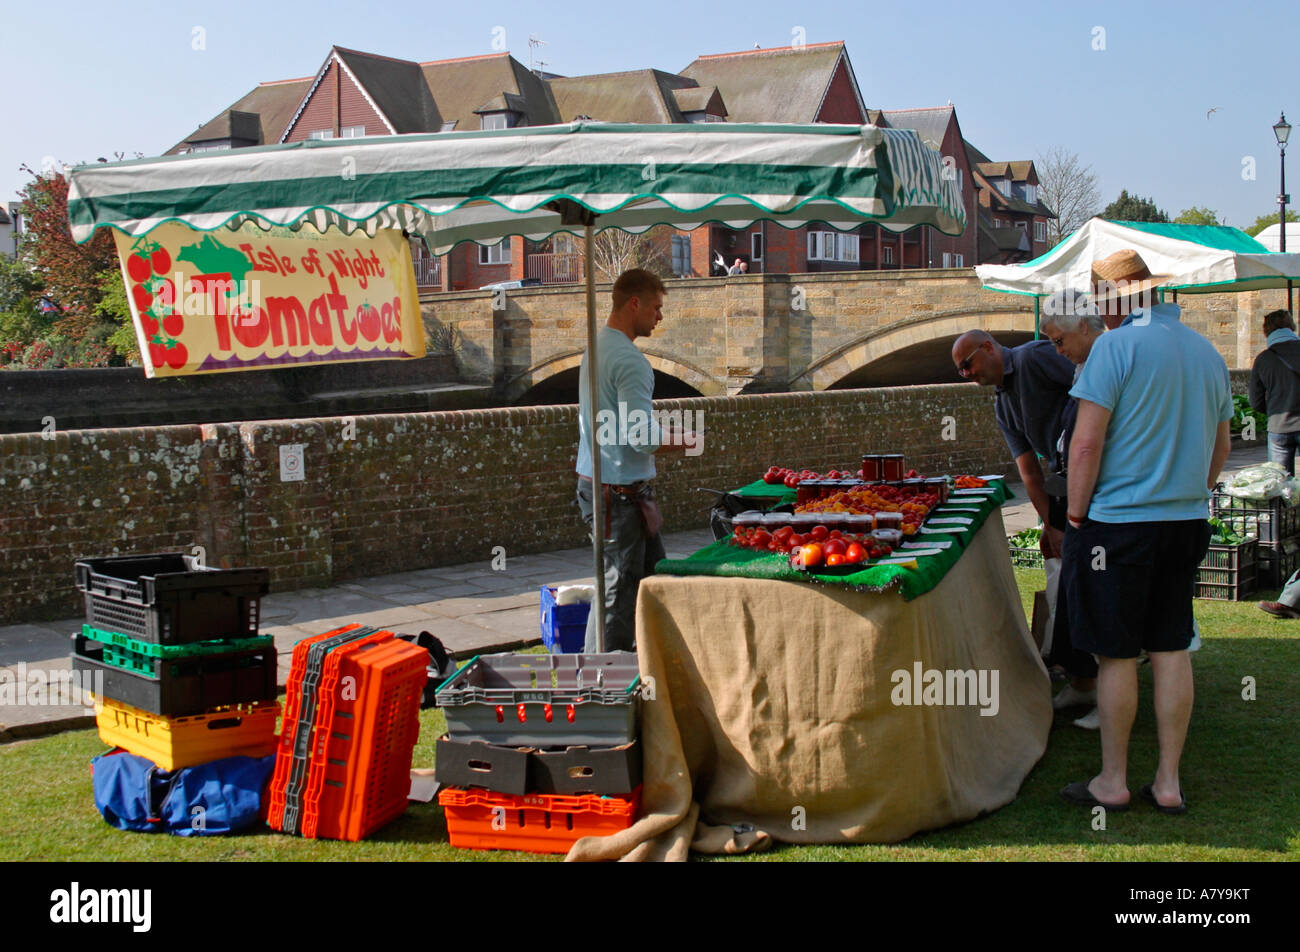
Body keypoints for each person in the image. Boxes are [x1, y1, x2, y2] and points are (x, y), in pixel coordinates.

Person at [1058, 249, 1233, 815]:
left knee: (1116, 655)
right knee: (1170, 646)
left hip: (1119, 523)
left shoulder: (1115, 346)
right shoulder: (1206, 351)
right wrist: (1191, 492)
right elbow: (1222, 445)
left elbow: (1086, 444)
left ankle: (1113, 780)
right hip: (1184, 520)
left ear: (1115, 297)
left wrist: (1077, 515)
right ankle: (1168, 781)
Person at [575, 269, 692, 653]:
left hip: (599, 482)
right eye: (657, 308)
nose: (660, 317)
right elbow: (640, 437)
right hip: (618, 495)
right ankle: (600, 685)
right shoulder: (629, 360)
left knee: (649, 582)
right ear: (634, 303)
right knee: (618, 593)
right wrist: (688, 440)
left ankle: (648, 668)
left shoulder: (596, 347)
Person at [1039, 291, 1106, 727]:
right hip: (1075, 499)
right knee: (1073, 594)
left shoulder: (1108, 362)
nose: (1056, 350)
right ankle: (1082, 683)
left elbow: (1090, 444)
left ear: (1084, 326)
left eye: (1060, 340)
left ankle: (1104, 689)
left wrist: (1075, 515)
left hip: (1099, 505)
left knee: (1099, 599)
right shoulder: (1083, 365)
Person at [951, 329, 1076, 560]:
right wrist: (1051, 525)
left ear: (988, 347)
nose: (966, 373)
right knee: (1056, 553)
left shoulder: (1032, 357)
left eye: (967, 364)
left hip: (1102, 472)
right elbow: (1029, 473)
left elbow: (1095, 383)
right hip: (1068, 481)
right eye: (961, 370)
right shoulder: (1002, 407)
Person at [1248, 309, 1300, 476]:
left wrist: (1274, 410)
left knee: (1280, 482)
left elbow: (1255, 401)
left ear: (1266, 331)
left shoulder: (1263, 359)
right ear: (1291, 326)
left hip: (1278, 426)